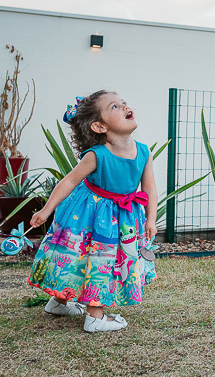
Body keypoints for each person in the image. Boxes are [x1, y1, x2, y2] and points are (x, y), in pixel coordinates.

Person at [28, 90, 158, 333]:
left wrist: (151, 219)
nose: (124, 106)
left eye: (123, 102)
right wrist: (46, 210)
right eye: (114, 107)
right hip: (91, 217)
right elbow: (69, 181)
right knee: (96, 259)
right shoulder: (97, 155)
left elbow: (148, 188)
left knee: (99, 259)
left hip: (124, 217)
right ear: (99, 126)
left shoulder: (143, 152)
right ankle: (95, 318)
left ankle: (59, 303)